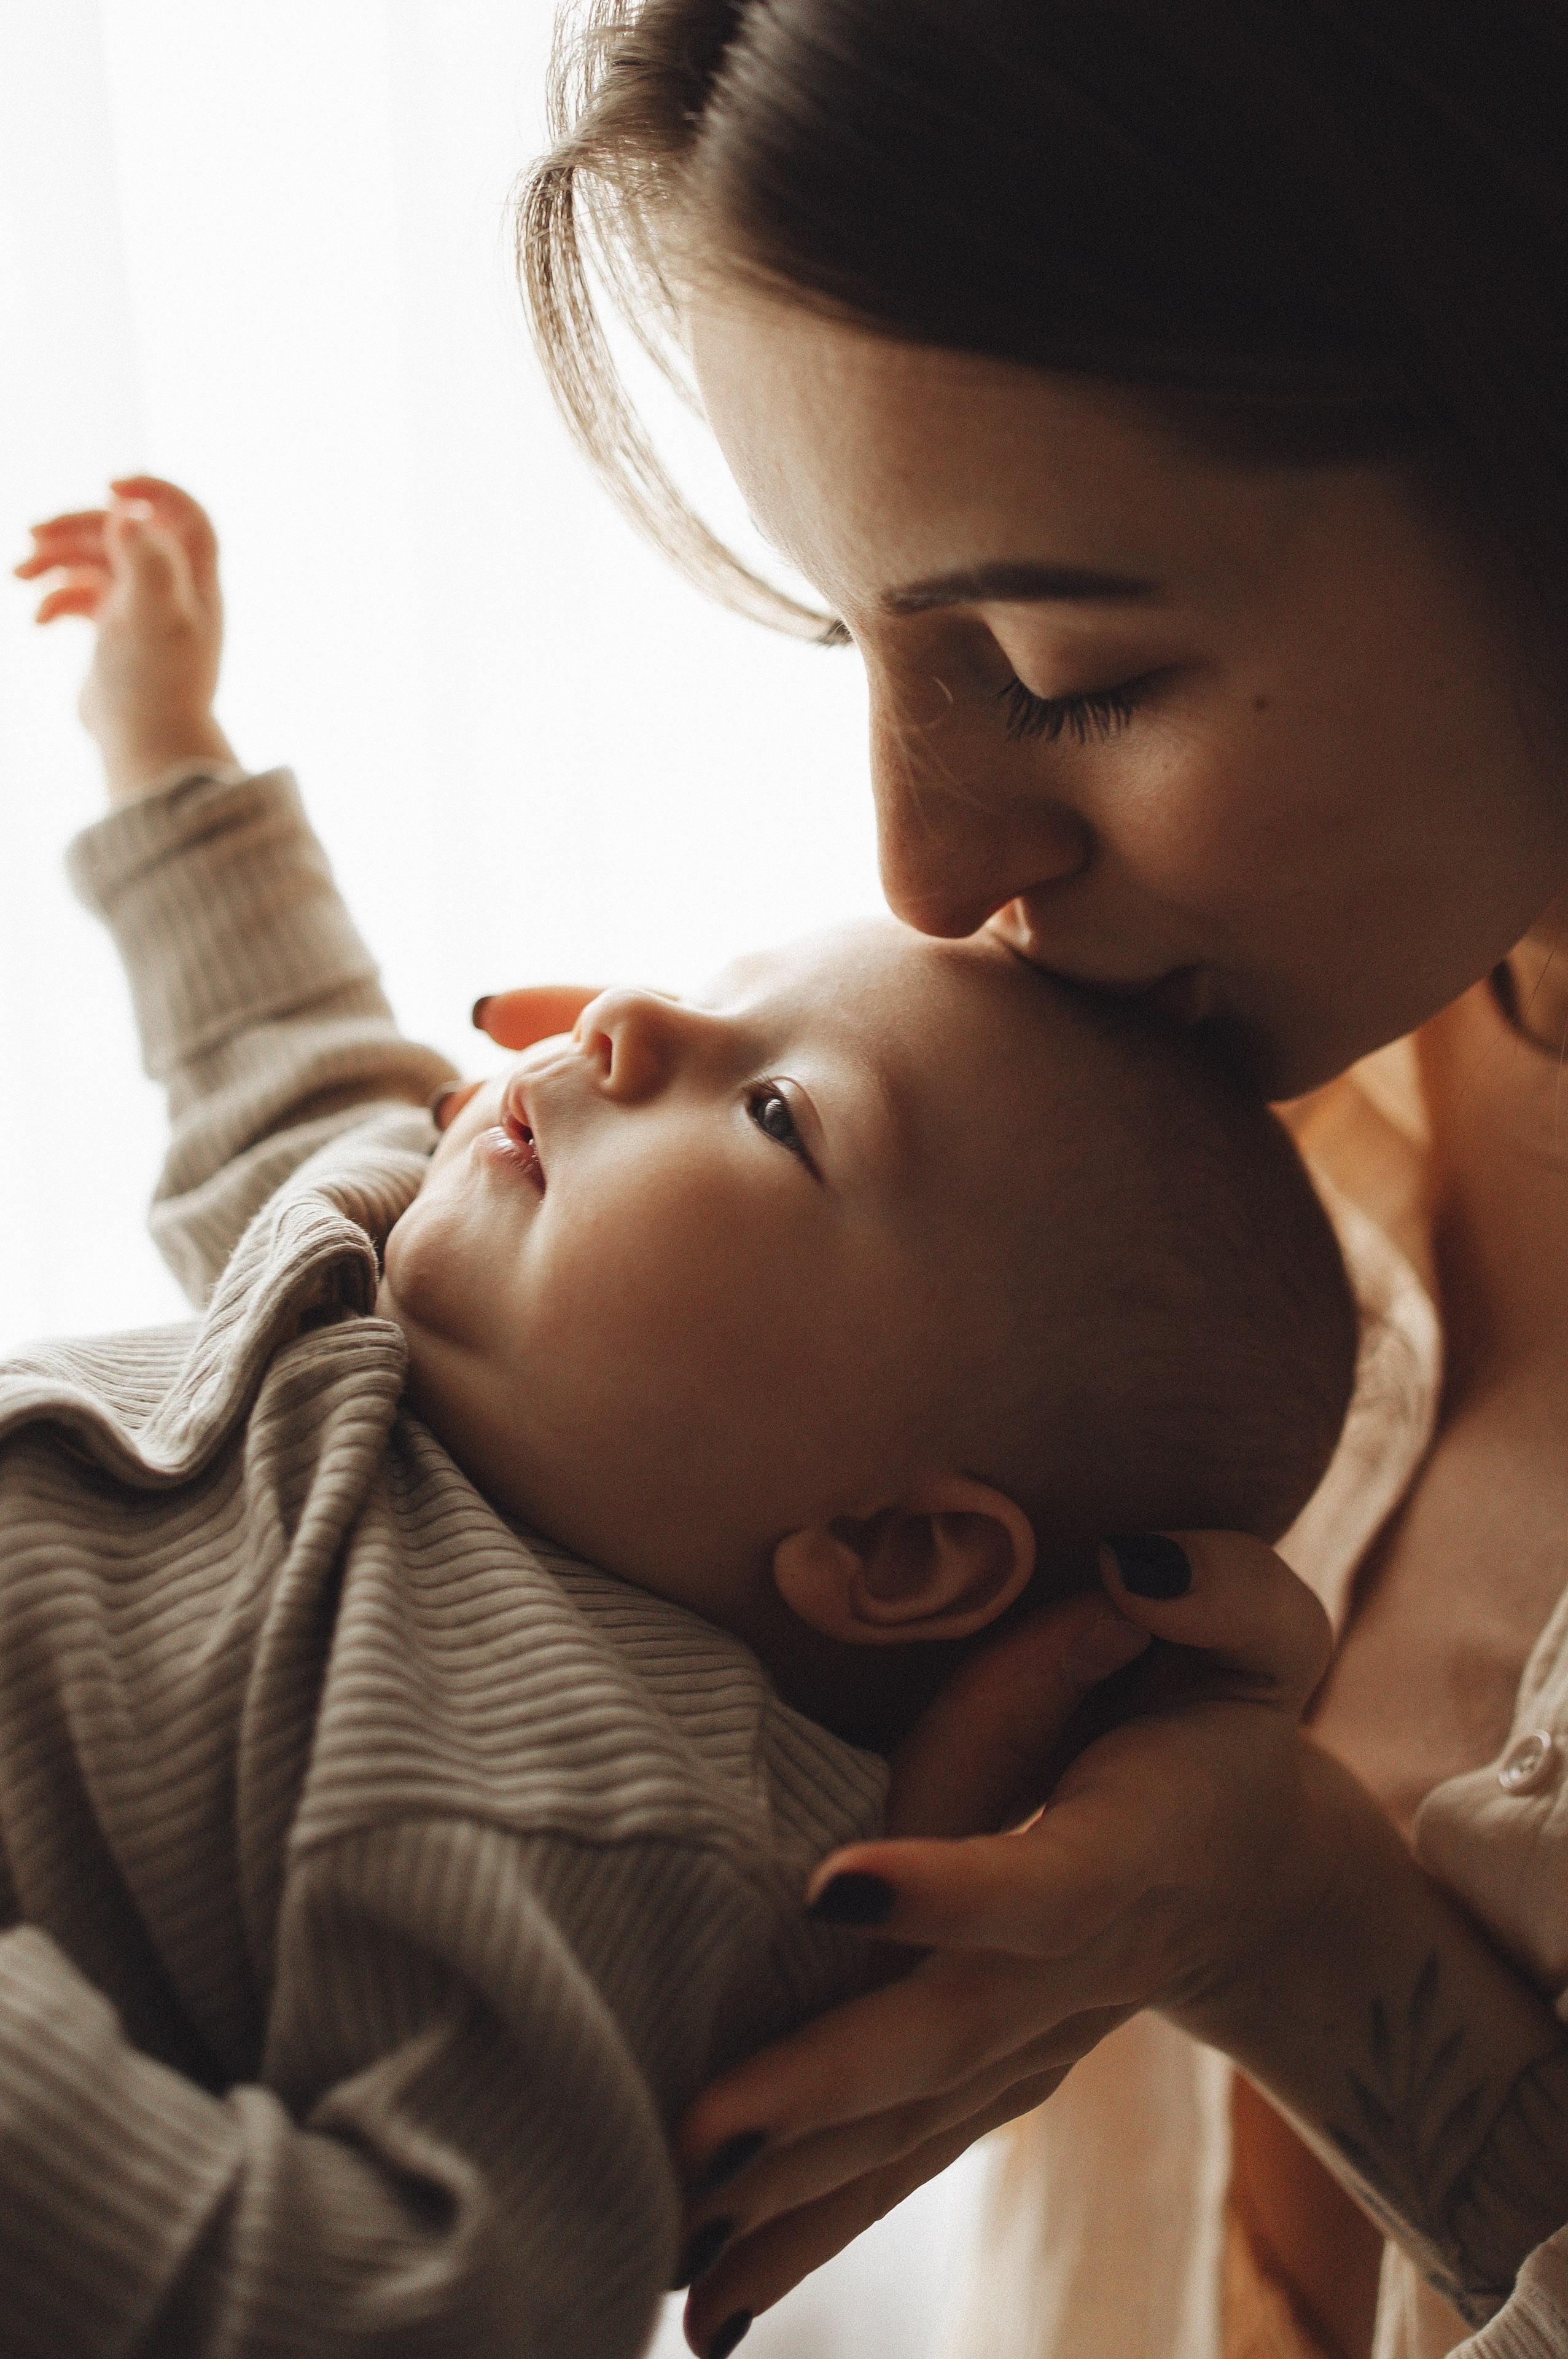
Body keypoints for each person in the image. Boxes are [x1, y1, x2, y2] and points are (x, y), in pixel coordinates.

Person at [1, 477, 1369, 2359]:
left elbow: (431, 2300)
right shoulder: (424, 1327)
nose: (627, 1020)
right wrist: (169, 751)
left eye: (778, 1113)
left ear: (892, 1545)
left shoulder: (577, 1806)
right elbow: (287, 1072)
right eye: (720, 997)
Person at [508, 6, 1568, 2357]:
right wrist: (1261, 1907)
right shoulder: (1136, 1139)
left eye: (1061, 670)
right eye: (856, 634)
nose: (918, 869)